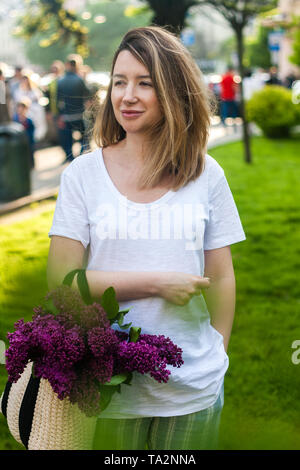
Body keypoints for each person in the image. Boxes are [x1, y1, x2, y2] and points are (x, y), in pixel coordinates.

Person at [47, 26, 246, 450]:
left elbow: (222, 276)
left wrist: (219, 354)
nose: (127, 96)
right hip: (107, 392)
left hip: (192, 389)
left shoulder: (207, 174)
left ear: (174, 91)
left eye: (145, 83)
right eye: (119, 82)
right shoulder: (82, 175)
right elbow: (62, 283)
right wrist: (156, 283)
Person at [56, 55, 90, 163]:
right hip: (79, 114)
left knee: (67, 139)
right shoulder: (80, 80)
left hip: (66, 115)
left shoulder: (60, 81)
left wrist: (60, 115)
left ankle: (69, 157)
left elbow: (58, 101)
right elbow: (87, 97)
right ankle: (81, 154)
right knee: (84, 136)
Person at [13, 99, 35, 168]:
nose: (20, 110)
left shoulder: (29, 120)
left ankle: (31, 165)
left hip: (28, 139)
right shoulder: (15, 119)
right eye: (19, 108)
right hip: (19, 140)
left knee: (30, 153)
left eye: (22, 109)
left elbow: (32, 130)